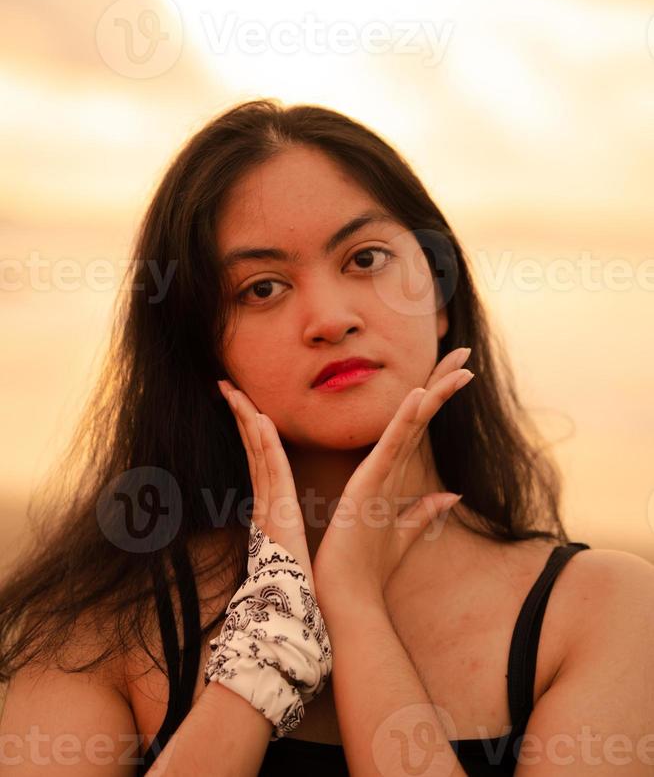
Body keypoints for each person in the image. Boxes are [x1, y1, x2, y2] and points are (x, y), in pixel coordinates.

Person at [0, 98, 652, 776]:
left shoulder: (605, 611)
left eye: (365, 257)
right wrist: (274, 639)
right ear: (201, 350)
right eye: (261, 289)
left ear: (441, 295)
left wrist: (355, 607)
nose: (330, 318)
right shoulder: (97, 624)